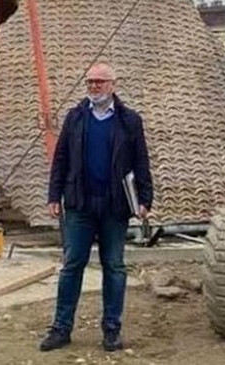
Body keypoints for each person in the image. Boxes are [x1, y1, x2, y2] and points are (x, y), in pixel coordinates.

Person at [40, 62, 153, 353]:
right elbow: (61, 158)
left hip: (114, 206)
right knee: (72, 265)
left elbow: (141, 161)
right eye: (90, 82)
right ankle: (61, 328)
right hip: (80, 203)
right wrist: (54, 196)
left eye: (100, 82)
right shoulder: (75, 117)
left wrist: (145, 200)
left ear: (112, 85)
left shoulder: (130, 120)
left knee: (114, 266)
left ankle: (112, 330)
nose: (94, 87)